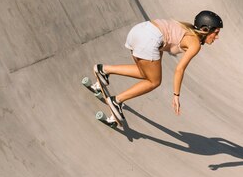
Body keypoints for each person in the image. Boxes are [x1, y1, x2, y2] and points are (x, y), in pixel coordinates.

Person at [93, 10, 223, 119]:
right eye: (216, 33)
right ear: (205, 29)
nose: (217, 37)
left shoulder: (187, 28)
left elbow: (166, 36)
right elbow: (179, 69)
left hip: (139, 30)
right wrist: (176, 96)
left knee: (144, 73)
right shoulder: (195, 44)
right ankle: (116, 101)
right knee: (154, 82)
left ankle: (103, 70)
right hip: (151, 39)